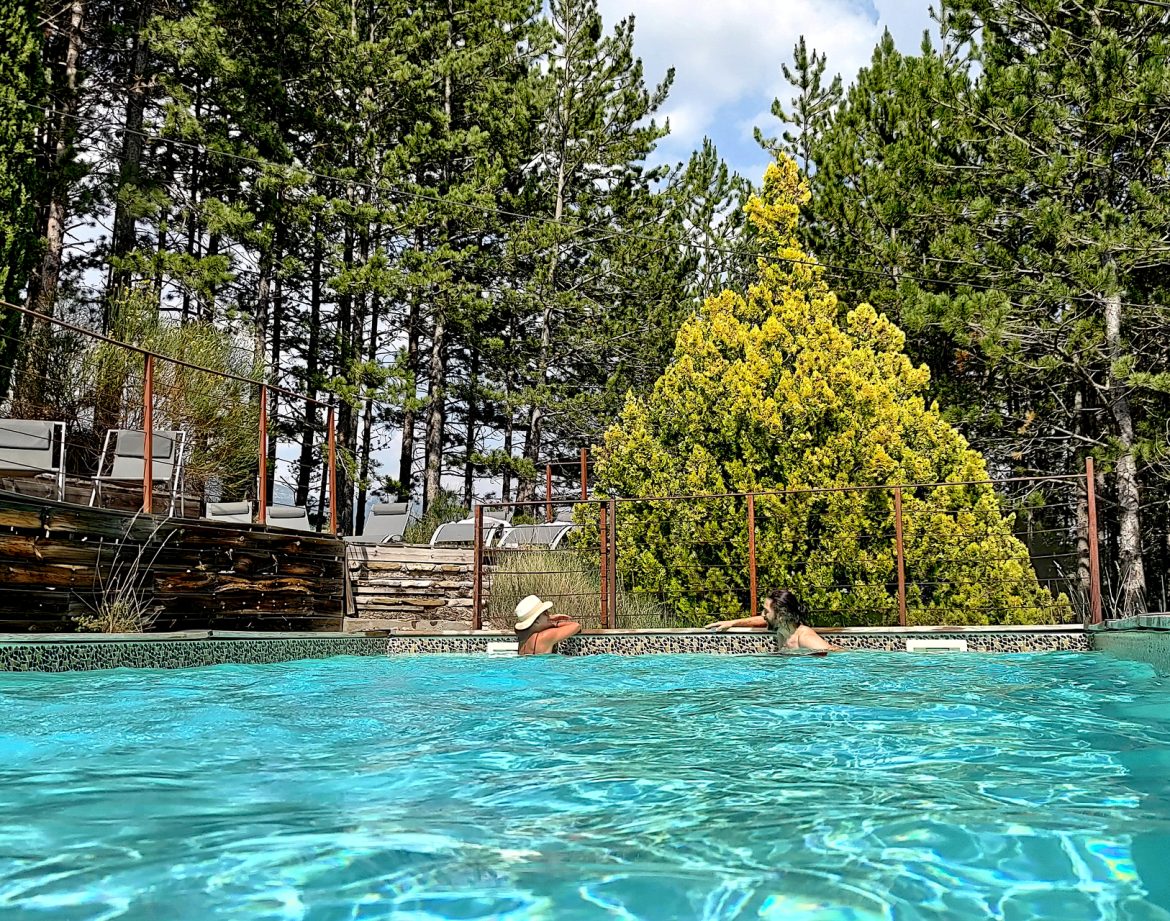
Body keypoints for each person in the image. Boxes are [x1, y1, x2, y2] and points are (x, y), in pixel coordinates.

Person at [706, 589, 841, 651]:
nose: (762, 614)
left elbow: (834, 654)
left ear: (781, 616)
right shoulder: (783, 631)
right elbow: (764, 619)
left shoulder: (805, 638)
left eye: (766, 611)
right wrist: (732, 623)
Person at [514, 594, 582, 655]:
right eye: (545, 613)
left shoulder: (522, 637)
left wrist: (547, 619)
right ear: (536, 621)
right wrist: (554, 622)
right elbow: (576, 626)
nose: (549, 615)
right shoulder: (544, 636)